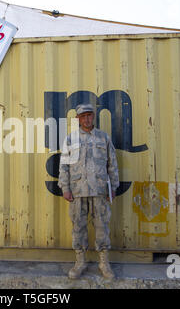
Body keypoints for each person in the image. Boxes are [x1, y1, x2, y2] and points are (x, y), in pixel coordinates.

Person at [58, 103, 119, 279]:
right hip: (77, 191)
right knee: (78, 226)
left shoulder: (103, 138)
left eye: (89, 115)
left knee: (102, 227)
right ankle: (80, 262)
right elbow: (64, 166)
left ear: (93, 116)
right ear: (77, 118)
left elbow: (112, 164)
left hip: (100, 190)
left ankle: (104, 263)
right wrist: (65, 188)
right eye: (83, 116)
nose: (86, 119)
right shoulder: (71, 139)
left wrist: (113, 187)